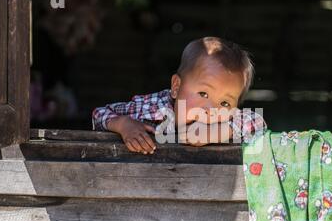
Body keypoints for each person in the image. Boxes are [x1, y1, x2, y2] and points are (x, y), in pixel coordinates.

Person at [92, 36, 267, 154]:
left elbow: (258, 122)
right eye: (203, 93)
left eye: (225, 103)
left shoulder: (226, 121)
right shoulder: (152, 109)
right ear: (176, 87)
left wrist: (219, 131)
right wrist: (125, 124)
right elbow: (99, 114)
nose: (211, 110)